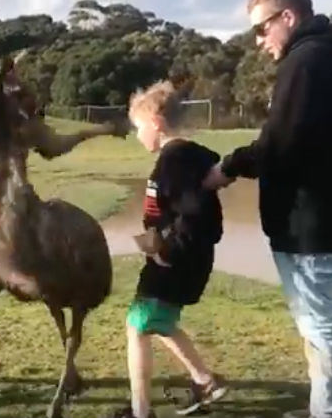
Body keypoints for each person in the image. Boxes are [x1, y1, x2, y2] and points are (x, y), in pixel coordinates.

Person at [204, 0, 332, 417]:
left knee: (321, 325)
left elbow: (280, 143)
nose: (259, 41)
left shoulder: (307, 62)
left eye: (261, 29)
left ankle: (330, 411)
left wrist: (230, 166)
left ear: (288, 17)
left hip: (311, 218)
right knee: (330, 317)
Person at [113, 80, 229, 418]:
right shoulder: (184, 159)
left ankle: (140, 410)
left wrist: (165, 251)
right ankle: (205, 381)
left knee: (137, 325)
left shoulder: (174, 162)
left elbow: (197, 216)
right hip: (179, 259)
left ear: (157, 124)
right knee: (158, 322)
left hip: (174, 261)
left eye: (139, 128)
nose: (137, 137)